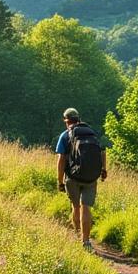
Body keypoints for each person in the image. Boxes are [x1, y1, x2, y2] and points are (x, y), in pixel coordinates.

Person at [55, 107, 107, 250]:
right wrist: (103, 169)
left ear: (66, 121)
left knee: (76, 206)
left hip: (73, 177)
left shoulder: (65, 136)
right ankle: (86, 241)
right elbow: (102, 151)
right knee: (86, 207)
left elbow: (61, 160)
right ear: (78, 119)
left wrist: (60, 181)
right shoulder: (91, 133)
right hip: (91, 178)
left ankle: (78, 236)